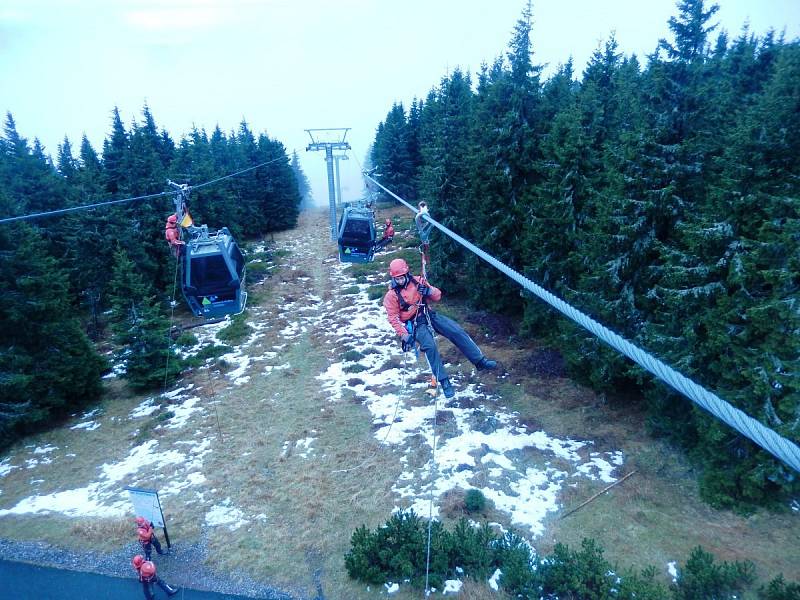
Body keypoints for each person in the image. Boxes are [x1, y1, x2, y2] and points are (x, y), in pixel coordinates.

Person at [382, 258, 497, 399]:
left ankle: (480, 361)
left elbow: (437, 295)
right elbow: (393, 318)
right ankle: (443, 381)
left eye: (401, 277)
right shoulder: (391, 296)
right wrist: (404, 335)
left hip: (429, 314)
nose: (400, 281)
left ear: (407, 273)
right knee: (429, 346)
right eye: (397, 278)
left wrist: (428, 291)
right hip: (416, 323)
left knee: (456, 331)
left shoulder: (419, 281)